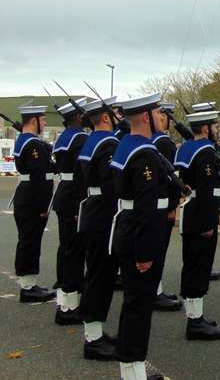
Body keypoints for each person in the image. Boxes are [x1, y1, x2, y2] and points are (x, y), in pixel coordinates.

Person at [109, 92, 171, 380]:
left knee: (133, 304)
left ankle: (131, 367)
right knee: (138, 307)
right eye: (159, 113)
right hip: (138, 233)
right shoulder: (144, 153)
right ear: (146, 117)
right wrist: (145, 252)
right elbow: (146, 206)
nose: (163, 118)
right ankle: (133, 372)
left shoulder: (126, 145)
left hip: (125, 227)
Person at [174, 110, 220, 340]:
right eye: (215, 126)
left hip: (190, 208)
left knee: (192, 263)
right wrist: (209, 222)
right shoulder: (205, 152)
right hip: (201, 213)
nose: (217, 130)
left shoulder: (186, 148)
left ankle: (195, 317)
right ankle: (195, 322)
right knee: (199, 266)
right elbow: (206, 190)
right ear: (205, 128)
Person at [77, 97, 121, 361]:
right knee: (99, 276)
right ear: (105, 117)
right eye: (114, 112)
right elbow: (112, 185)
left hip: (93, 208)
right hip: (103, 212)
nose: (118, 115)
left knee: (98, 274)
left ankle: (95, 333)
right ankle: (93, 339)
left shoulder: (91, 140)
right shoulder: (107, 143)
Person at [11, 104, 57, 303]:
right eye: (43, 119)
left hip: (25, 196)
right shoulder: (33, 145)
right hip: (32, 199)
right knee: (30, 241)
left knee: (27, 240)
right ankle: (28, 288)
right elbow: (40, 177)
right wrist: (43, 206)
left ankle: (28, 284)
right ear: (34, 121)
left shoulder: (24, 140)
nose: (45, 123)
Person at [51, 98, 89, 325]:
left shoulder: (64, 137)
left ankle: (65, 299)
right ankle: (68, 307)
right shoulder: (80, 138)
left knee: (67, 248)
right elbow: (82, 173)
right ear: (77, 117)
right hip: (74, 195)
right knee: (74, 252)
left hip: (64, 192)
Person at [149, 103, 183, 312]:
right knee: (158, 249)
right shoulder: (164, 143)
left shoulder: (151, 141)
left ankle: (156, 288)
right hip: (162, 205)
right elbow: (170, 179)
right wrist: (173, 206)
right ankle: (155, 291)